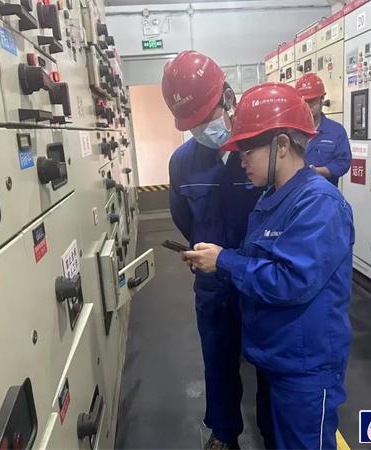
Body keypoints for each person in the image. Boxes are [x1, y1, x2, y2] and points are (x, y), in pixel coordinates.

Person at [183, 82, 354, 450]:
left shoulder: (318, 204)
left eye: (247, 151)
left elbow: (290, 280)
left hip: (305, 366)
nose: (241, 161)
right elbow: (257, 260)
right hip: (276, 356)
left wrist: (223, 260)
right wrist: (220, 258)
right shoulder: (272, 198)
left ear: (282, 145)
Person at [162, 51, 262, 450]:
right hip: (213, 282)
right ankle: (224, 433)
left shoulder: (258, 152)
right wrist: (207, 253)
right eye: (194, 124)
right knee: (218, 360)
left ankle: (274, 431)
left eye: (207, 117)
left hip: (258, 277)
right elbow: (184, 218)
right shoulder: (181, 164)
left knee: (270, 361)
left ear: (228, 98)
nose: (203, 129)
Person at [296, 73, 352, 187]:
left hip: (323, 193)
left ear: (322, 99)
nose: (308, 106)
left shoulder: (336, 131)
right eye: (304, 102)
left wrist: (317, 171)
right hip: (295, 192)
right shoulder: (291, 131)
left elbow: (343, 163)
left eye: (312, 101)